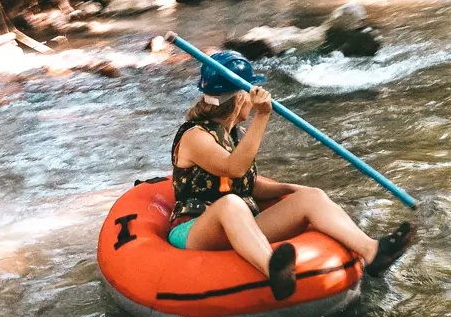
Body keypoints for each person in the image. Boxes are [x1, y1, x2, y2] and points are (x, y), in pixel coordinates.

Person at [168, 51, 416, 300]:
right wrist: (263, 116)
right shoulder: (195, 136)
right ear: (241, 97)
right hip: (195, 229)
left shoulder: (234, 133)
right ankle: (272, 271)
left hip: (240, 224)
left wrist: (287, 188)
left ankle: (373, 252)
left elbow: (247, 184)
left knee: (311, 196)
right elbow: (234, 169)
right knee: (231, 204)